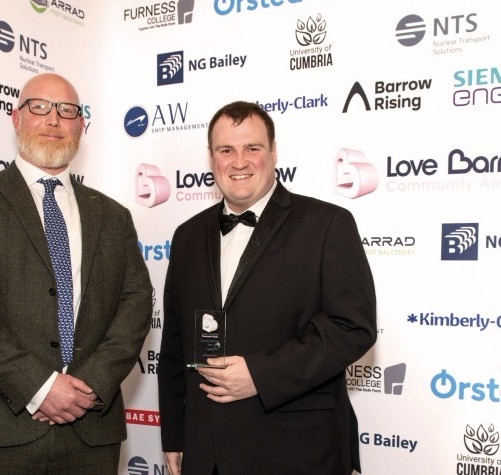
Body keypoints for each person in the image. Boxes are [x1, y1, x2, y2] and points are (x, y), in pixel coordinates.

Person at [0, 73, 152, 474]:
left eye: (67, 111)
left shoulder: (114, 216)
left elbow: (135, 303)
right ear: (16, 119)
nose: (53, 119)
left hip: (91, 431)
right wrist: (38, 386)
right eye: (39, 107)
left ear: (81, 125)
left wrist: (91, 385)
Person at [157, 101, 377, 475]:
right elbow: (175, 346)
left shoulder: (327, 225)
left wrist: (261, 374)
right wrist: (175, 435)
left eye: (252, 148)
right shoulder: (186, 236)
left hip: (297, 451)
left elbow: (353, 328)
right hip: (206, 452)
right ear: (211, 158)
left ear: (273, 152)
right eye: (226, 150)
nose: (239, 162)